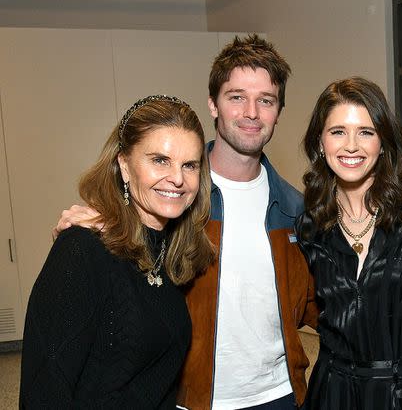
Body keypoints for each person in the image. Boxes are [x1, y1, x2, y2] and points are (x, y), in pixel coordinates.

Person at [53, 35, 317, 410]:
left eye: (266, 100)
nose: (251, 112)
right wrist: (104, 218)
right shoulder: (177, 199)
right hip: (191, 398)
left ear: (279, 110)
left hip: (280, 396)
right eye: (236, 96)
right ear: (213, 103)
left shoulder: (294, 208)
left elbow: (320, 303)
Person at [20, 95, 216, 408]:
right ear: (124, 165)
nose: (178, 179)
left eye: (189, 165)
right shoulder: (81, 250)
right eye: (160, 160)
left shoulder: (170, 253)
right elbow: (44, 393)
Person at [296, 77, 402, 409]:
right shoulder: (309, 227)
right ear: (321, 143)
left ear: (383, 142)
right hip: (334, 394)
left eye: (366, 132)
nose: (352, 146)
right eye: (338, 132)